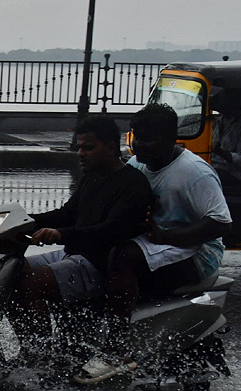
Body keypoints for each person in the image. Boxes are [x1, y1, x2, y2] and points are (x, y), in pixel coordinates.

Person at [80, 103, 233, 383]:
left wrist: (166, 237)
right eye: (135, 136)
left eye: (147, 139)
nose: (138, 145)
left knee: (124, 258)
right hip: (156, 244)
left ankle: (116, 350)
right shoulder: (138, 164)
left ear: (171, 139)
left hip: (198, 253)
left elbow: (221, 222)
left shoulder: (194, 173)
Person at [11, 114, 151, 359]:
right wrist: (24, 221)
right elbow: (68, 213)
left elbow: (112, 230)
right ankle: (30, 348)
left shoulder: (133, 183)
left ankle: (41, 357)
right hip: (74, 252)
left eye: (88, 147)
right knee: (9, 272)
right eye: (78, 148)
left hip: (98, 264)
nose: (80, 153)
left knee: (31, 282)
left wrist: (60, 234)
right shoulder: (93, 177)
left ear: (110, 147)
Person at [210, 87, 241, 193]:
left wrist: (221, 152)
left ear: (234, 100)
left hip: (235, 174)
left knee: (203, 177)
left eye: (223, 98)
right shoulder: (218, 121)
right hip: (216, 168)